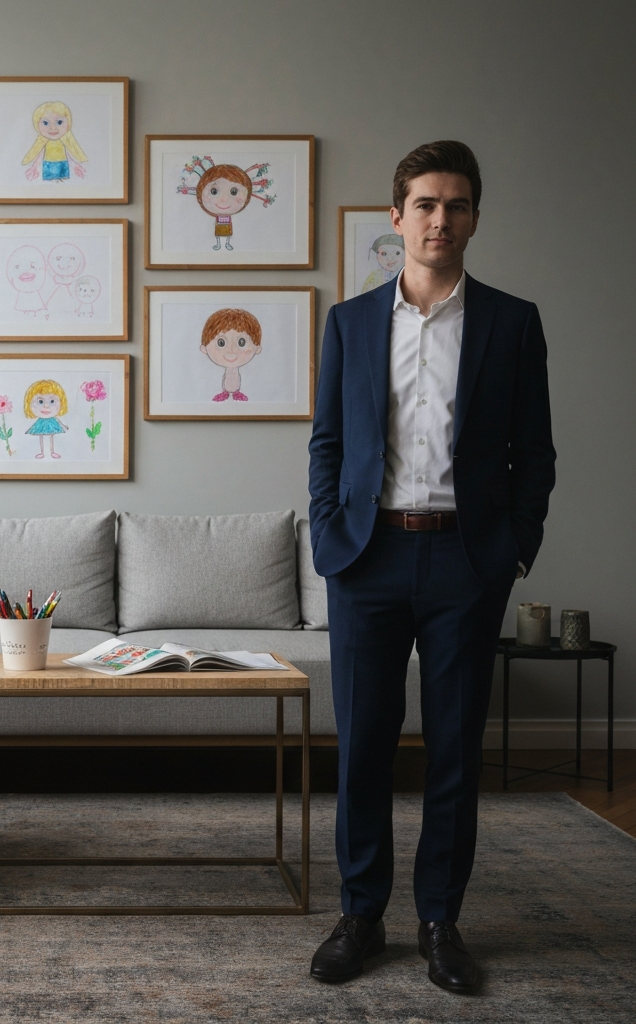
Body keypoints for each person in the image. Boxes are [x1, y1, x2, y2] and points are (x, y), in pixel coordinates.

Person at [307, 141, 555, 992]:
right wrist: (328, 540)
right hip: (366, 557)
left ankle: (441, 921)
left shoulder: (512, 322)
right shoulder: (348, 322)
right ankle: (360, 915)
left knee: (453, 750)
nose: (439, 219)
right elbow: (329, 445)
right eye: (425, 204)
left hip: (466, 559)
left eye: (456, 205)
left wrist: (512, 551)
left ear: (474, 217)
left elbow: (536, 453)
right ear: (397, 216)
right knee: (362, 747)